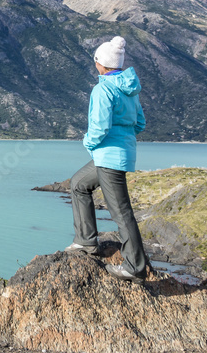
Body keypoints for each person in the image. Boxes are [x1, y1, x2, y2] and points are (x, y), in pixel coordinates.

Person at [64, 35, 149, 284]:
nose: (95, 65)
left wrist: (88, 143)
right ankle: (86, 241)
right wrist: (122, 138)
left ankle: (135, 267)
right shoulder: (130, 89)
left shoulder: (103, 89)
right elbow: (140, 123)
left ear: (101, 64)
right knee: (79, 184)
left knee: (122, 213)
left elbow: (99, 128)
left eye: (96, 61)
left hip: (107, 156)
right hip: (116, 155)